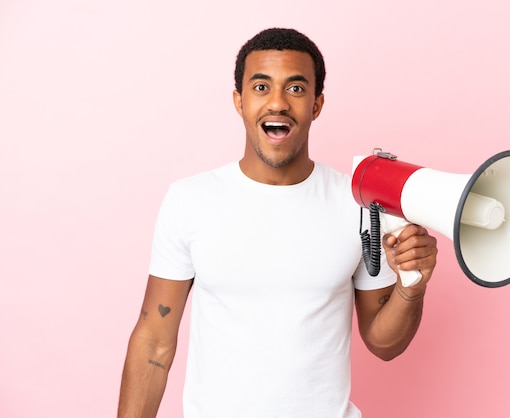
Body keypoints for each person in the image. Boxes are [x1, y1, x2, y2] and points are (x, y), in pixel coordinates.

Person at [118, 27, 438, 418]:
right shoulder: (190, 200)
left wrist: (412, 286)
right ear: (239, 101)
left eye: (296, 89)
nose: (278, 103)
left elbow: (384, 344)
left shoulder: (357, 203)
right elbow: (154, 342)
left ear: (317, 104)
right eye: (260, 87)